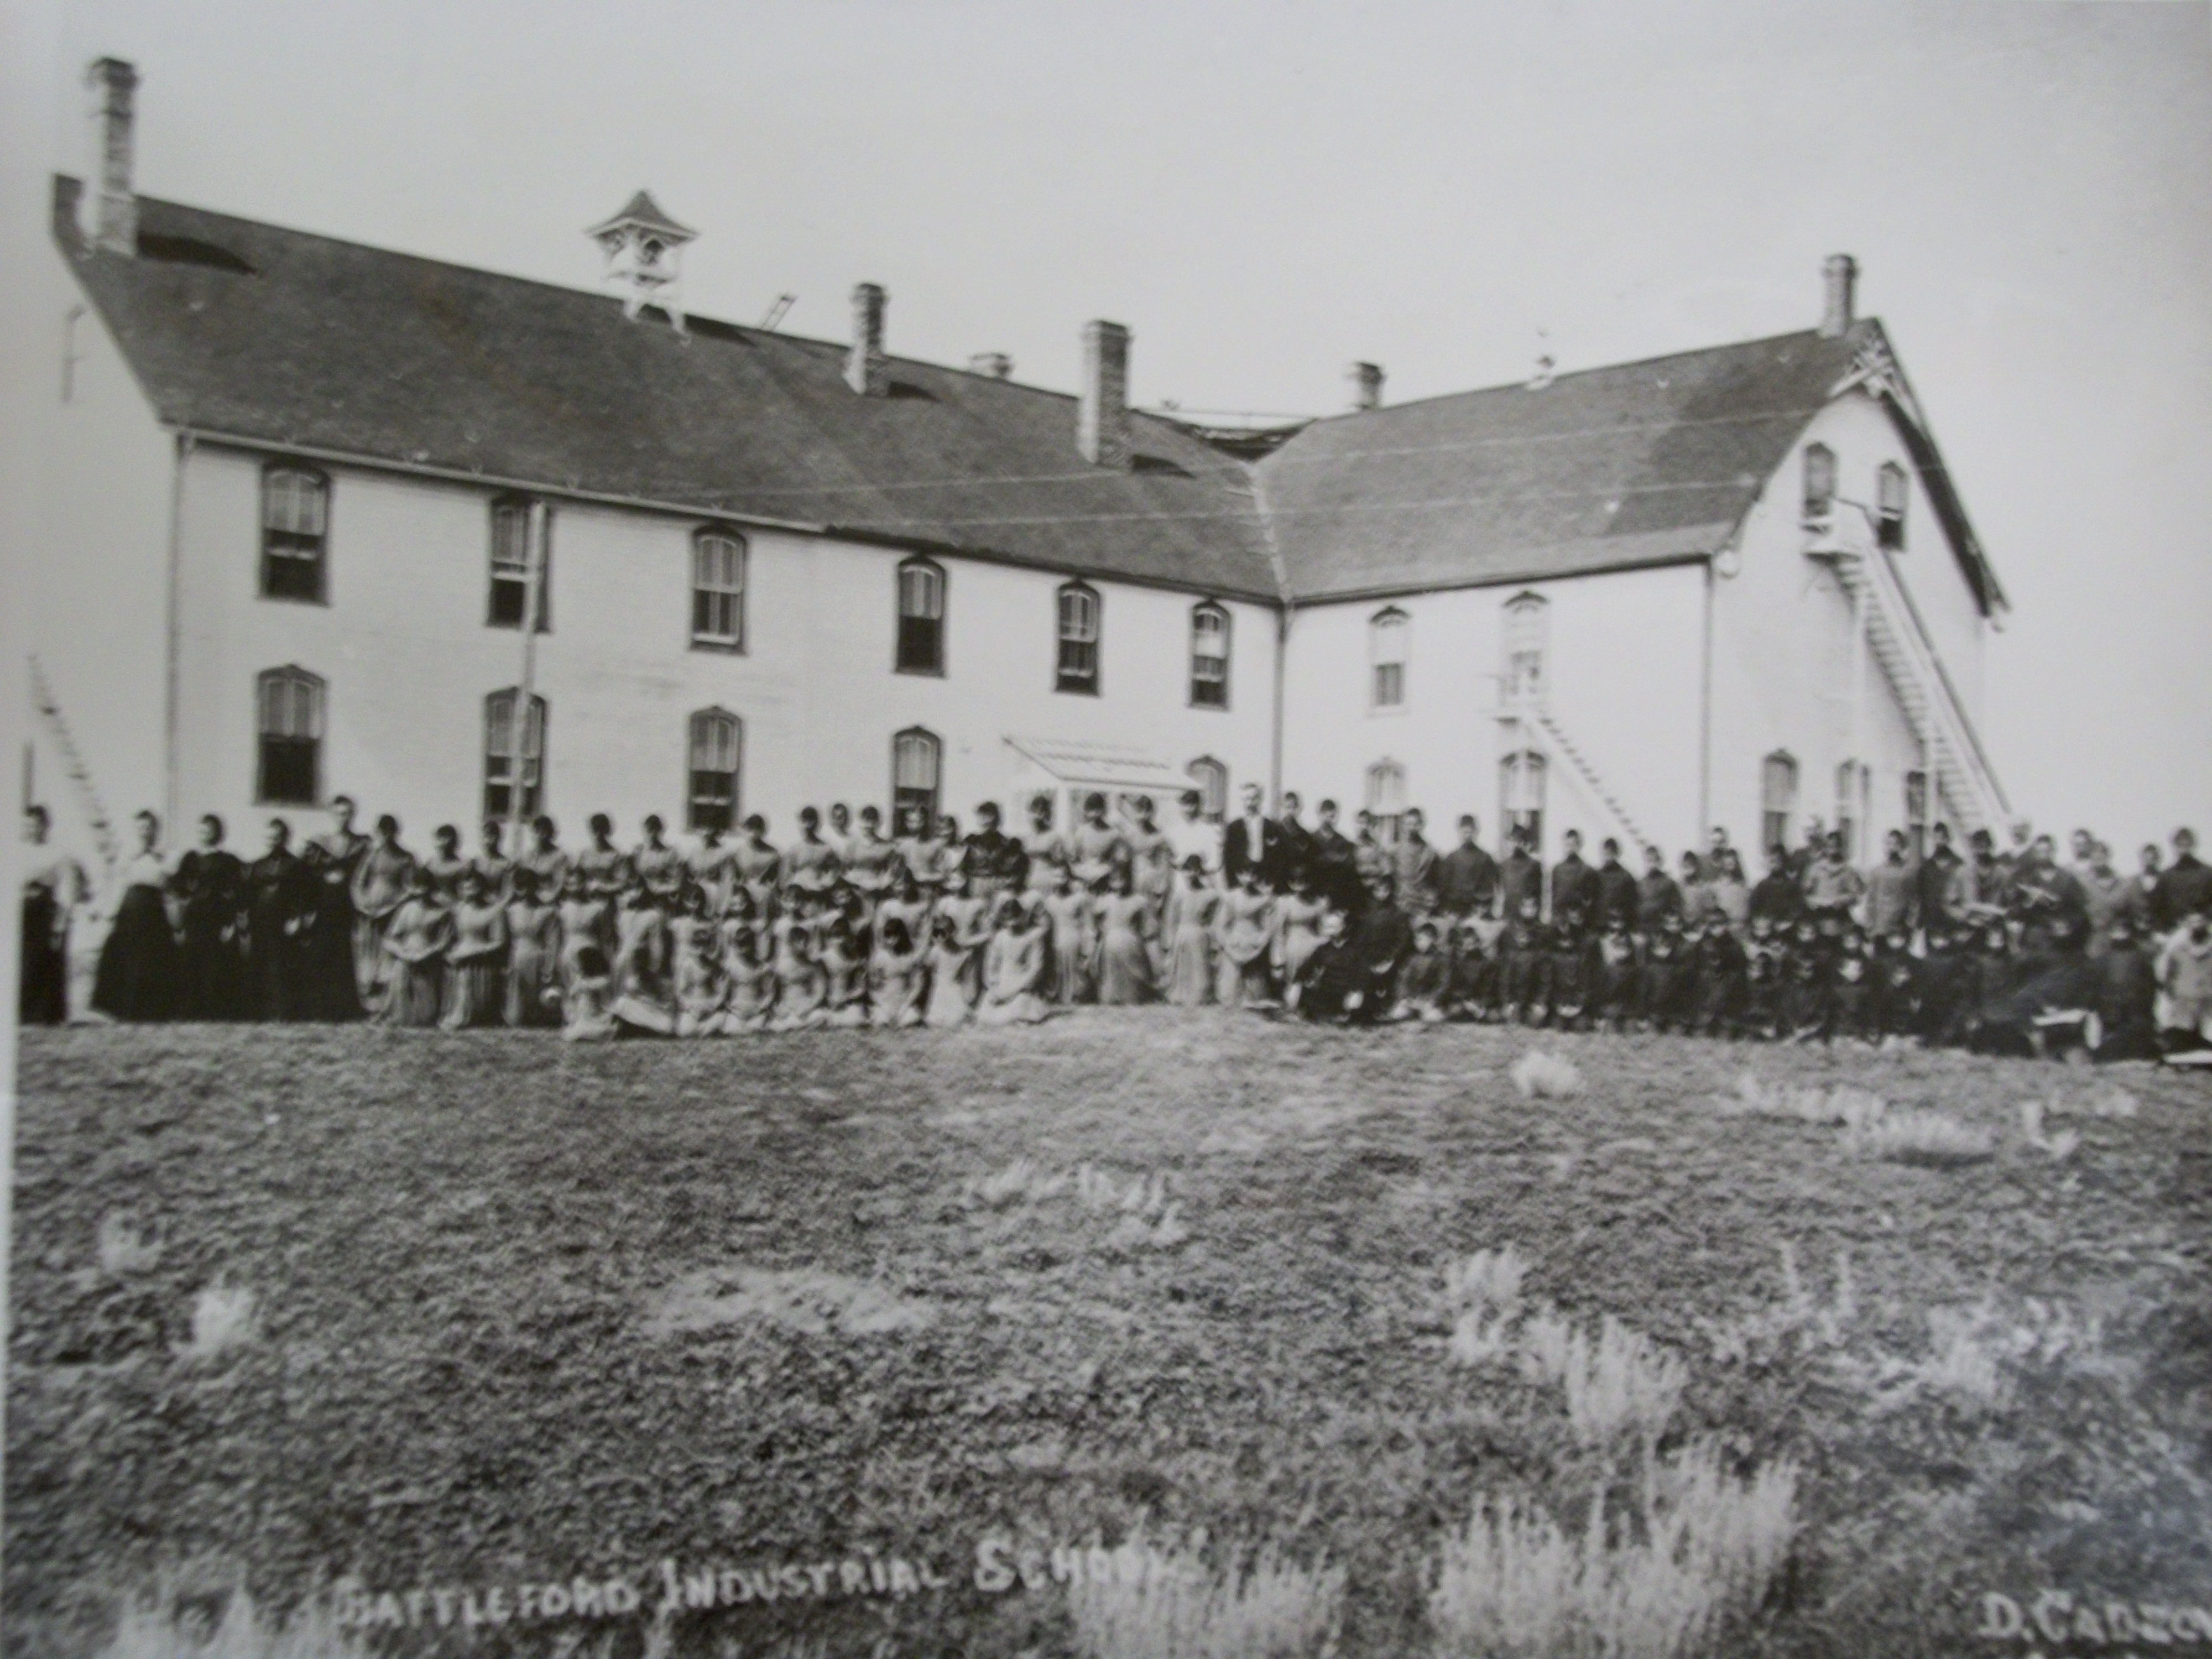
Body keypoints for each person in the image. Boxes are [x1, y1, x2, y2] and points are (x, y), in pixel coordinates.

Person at [91, 810, 178, 1022]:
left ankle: (150, 1011)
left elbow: (170, 891)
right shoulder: (126, 856)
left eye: (149, 827)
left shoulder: (165, 857)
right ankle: (124, 1010)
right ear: (135, 830)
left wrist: (175, 920)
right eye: (141, 827)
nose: (145, 832)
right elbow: (117, 885)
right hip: (130, 912)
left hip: (154, 913)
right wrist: (109, 914)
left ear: (156, 831)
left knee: (154, 959)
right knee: (127, 958)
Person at [170, 813, 247, 1021]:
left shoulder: (228, 860)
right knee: (191, 961)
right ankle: (190, 1012)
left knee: (215, 963)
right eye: (202, 831)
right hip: (194, 917)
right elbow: (177, 887)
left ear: (219, 833)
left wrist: (231, 922)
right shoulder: (190, 858)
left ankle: (214, 1012)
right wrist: (183, 907)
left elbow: (237, 891)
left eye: (210, 830)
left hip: (217, 917)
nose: (205, 835)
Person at [20, 804, 88, 1025]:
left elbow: (67, 890)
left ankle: (44, 1014)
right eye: (29, 824)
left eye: (37, 824)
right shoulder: (15, 851)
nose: (33, 829)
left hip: (44, 911)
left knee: (42, 960)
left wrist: (61, 920)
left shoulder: (58, 855)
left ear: (46, 826)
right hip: (21, 909)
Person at [297, 818, 366, 1022]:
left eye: (319, 852)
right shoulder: (313, 873)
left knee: (340, 966)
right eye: (312, 852)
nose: (315, 856)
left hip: (340, 925)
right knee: (319, 966)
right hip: (319, 925)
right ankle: (318, 1010)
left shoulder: (342, 874)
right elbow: (306, 898)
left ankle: (341, 1010)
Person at [243, 818, 312, 1022]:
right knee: (259, 965)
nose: (273, 841)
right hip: (260, 923)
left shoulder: (296, 865)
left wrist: (297, 919)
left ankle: (282, 1013)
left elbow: (305, 895)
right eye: (269, 837)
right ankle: (259, 1014)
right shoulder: (258, 865)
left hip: (284, 924)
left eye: (277, 837)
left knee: (281, 969)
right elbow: (249, 895)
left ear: (285, 838)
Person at [350, 815, 416, 1010]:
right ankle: (367, 1002)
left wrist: (391, 907)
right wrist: (362, 905)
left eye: (390, 832)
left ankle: (387, 1001)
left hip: (392, 915)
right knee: (367, 955)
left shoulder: (406, 858)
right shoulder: (371, 855)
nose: (386, 836)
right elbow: (357, 883)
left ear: (396, 833)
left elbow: (410, 888)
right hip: (369, 915)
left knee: (387, 954)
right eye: (382, 832)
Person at [379, 864, 452, 1027]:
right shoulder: (406, 909)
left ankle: (425, 1016)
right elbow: (389, 938)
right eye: (416, 887)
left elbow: (444, 941)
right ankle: (399, 1015)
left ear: (431, 887)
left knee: (427, 1013)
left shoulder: (442, 912)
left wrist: (426, 954)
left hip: (429, 958)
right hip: (406, 956)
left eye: (425, 886)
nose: (421, 892)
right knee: (400, 987)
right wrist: (402, 953)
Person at [1340, 873, 1414, 1025]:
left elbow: (1402, 941)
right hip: (1363, 958)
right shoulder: (1365, 911)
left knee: (1379, 994)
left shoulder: (1398, 914)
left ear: (1391, 891)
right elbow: (1357, 936)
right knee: (1355, 991)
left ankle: (1373, 1011)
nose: (1381, 893)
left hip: (1385, 960)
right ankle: (1354, 1011)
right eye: (1378, 890)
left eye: (1385, 890)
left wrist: (1389, 960)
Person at [441, 869, 510, 1030]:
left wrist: (472, 954)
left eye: (475, 887)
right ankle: (456, 1014)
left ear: (483, 888)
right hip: (459, 957)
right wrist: (449, 952)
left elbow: (499, 942)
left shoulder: (494, 911)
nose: (470, 892)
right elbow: (447, 937)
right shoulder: (456, 911)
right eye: (466, 888)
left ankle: (479, 1015)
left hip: (482, 962)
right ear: (459, 889)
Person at [611, 882, 675, 1032]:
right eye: (627, 890)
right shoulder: (622, 915)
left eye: (636, 889)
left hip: (642, 961)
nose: (632, 894)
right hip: (623, 960)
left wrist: (655, 965)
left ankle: (649, 1023)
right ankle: (628, 1022)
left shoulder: (653, 915)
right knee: (622, 996)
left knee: (640, 991)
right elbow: (620, 940)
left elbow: (656, 944)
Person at [504, 867, 563, 1027]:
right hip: (517, 958)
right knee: (515, 1019)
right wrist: (507, 964)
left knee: (541, 1011)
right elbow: (507, 941)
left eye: (527, 885)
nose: (522, 890)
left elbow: (553, 942)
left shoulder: (548, 911)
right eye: (518, 886)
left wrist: (549, 967)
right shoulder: (510, 910)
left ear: (535, 886)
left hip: (539, 958)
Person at [978, 898, 1050, 1025]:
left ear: (1022, 917)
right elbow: (992, 965)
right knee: (987, 1013)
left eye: (1015, 920)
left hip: (1022, 984)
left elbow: (1036, 968)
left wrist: (1015, 990)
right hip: (1002, 982)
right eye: (1008, 921)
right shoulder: (1000, 937)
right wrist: (994, 986)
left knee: (1020, 1005)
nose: (1012, 925)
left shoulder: (1033, 936)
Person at [1215, 863, 1277, 1008]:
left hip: (1254, 940)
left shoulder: (1264, 899)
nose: (1248, 878)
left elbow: (1268, 926)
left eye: (1252, 875)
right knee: (1229, 993)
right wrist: (1227, 944)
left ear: (1257, 878)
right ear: (1238, 876)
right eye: (1244, 874)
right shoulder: (1231, 897)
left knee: (1255, 988)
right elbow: (1220, 925)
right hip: (1234, 940)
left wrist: (1260, 945)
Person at [1096, 865, 1157, 1005]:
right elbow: (1097, 922)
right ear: (1110, 882)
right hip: (1109, 943)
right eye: (1114, 880)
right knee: (1110, 974)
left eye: (1122, 879)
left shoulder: (1139, 901)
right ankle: (1112, 998)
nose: (1118, 883)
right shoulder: (1105, 900)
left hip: (1131, 942)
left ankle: (1133, 996)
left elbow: (1149, 927)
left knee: (1134, 975)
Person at [1164, 856, 1221, 1005]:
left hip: (1200, 936)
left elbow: (1215, 919)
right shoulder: (1179, 895)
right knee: (1182, 971)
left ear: (1199, 871)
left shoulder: (1210, 895)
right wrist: (1170, 942)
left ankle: (1201, 995)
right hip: (1182, 935)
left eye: (1194, 870)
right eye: (1186, 870)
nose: (1189, 874)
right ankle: (1181, 996)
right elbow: (1171, 921)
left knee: (1200, 972)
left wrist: (1212, 938)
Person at [2155, 908, 2212, 1050]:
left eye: (2200, 921)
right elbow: (2169, 975)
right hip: (2184, 1003)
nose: (2196, 925)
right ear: (2186, 926)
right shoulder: (2177, 950)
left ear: (2207, 923)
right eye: (2192, 922)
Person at [1041, 863, 1096, 1005]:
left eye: (1062, 876)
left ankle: (1077, 996)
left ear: (1069, 878)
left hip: (1074, 939)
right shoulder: (1048, 901)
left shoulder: (1080, 899)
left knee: (1077, 971)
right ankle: (1056, 995)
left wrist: (1088, 948)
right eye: (1055, 877)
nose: (1059, 881)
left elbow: (1088, 925)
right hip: (1055, 941)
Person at [556, 867, 615, 992]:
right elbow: (558, 938)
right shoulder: (562, 909)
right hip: (568, 956)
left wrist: (608, 961)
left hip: (591, 957)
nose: (575, 888)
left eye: (579, 883)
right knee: (572, 994)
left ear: (586, 883)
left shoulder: (599, 908)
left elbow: (606, 938)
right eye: (570, 884)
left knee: (591, 993)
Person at [1272, 867, 1329, 990]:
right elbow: (1279, 932)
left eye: (1302, 880)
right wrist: (1277, 958)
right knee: (1293, 980)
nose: (1298, 884)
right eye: (1294, 881)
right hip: (1292, 942)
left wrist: (1323, 944)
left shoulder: (1320, 902)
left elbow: (1324, 927)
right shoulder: (1284, 902)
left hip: (1313, 942)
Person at [1436, 816, 1500, 922]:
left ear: (1476, 832)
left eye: (1470, 832)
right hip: (1455, 909)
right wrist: (1446, 909)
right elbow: (1443, 886)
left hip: (1477, 909)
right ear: (1459, 832)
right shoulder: (1452, 858)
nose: (1467, 835)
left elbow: (1490, 887)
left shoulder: (1485, 858)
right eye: (1464, 832)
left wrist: (1484, 908)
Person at [1223, 782, 1286, 890]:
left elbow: (1278, 858)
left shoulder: (1272, 827)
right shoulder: (1234, 827)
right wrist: (1232, 884)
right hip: (1242, 880)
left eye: (1254, 799)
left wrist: (1274, 882)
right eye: (1246, 799)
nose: (1250, 803)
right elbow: (1228, 858)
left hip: (1265, 881)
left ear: (1260, 799)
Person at [675, 924, 734, 1037]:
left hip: (709, 1005)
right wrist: (690, 1007)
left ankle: (706, 1030)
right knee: (685, 1030)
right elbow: (680, 992)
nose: (701, 951)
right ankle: (699, 1030)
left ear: (710, 947)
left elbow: (721, 991)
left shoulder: (714, 966)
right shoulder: (687, 965)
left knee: (722, 1020)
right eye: (697, 946)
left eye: (704, 947)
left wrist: (712, 1006)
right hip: (693, 1006)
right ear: (692, 946)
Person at [869, 916, 928, 1028]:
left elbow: (918, 985)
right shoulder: (879, 958)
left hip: (904, 1000)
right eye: (887, 935)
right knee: (881, 1021)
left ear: (902, 936)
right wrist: (884, 1006)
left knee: (911, 1019)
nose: (891, 940)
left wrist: (904, 1006)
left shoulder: (911, 957)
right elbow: (873, 988)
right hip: (885, 1001)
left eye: (895, 935)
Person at [2152, 828, 2212, 938]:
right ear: (2174, 847)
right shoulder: (2166, 876)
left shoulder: (2207, 873)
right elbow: (2157, 908)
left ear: (2194, 845)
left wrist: (2203, 919)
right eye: (2180, 845)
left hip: (2205, 932)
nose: (2184, 849)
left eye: (2187, 844)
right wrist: (2162, 931)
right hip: (2175, 931)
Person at [1307, 799, 1361, 915]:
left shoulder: (1343, 842)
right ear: (1319, 815)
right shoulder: (1311, 840)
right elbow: (1309, 865)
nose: (1329, 819)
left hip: (1337, 896)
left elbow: (1349, 866)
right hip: (1316, 894)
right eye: (1325, 815)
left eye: (1332, 815)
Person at [965, 801, 1026, 904]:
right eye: (983, 817)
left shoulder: (1009, 845)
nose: (987, 822)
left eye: (990, 817)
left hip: (999, 890)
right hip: (976, 889)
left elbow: (1017, 872)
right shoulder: (971, 843)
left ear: (997, 819)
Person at [557, 944, 619, 1043]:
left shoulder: (588, 984)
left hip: (592, 1023)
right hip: (592, 1022)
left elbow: (570, 1009)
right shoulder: (601, 982)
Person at [924, 914, 978, 1026]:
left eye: (943, 933)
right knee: (937, 1019)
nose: (939, 937)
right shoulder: (935, 952)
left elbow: (969, 978)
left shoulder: (964, 954)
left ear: (953, 932)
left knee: (958, 1018)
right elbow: (928, 975)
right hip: (939, 990)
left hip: (955, 989)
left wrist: (969, 997)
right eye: (936, 933)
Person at [1395, 919, 1452, 1023]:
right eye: (1417, 940)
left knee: (1432, 1018)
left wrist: (1432, 999)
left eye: (1423, 940)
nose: (1419, 943)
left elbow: (1443, 983)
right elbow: (1403, 979)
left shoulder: (1442, 960)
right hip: (1412, 999)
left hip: (1429, 1000)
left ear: (1433, 940)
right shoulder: (1413, 959)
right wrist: (1405, 997)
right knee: (1398, 1014)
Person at [1067, 792, 1128, 891]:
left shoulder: (1114, 834)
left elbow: (1120, 862)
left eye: (1098, 810)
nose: (1095, 814)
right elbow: (1073, 859)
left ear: (1103, 810)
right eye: (1092, 810)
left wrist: (1104, 870)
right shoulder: (1081, 832)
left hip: (1105, 882)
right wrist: (1081, 872)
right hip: (1083, 880)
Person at [820, 916, 871, 1027]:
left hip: (848, 1002)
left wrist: (847, 998)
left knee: (857, 1017)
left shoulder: (855, 959)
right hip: (829, 1003)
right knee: (821, 1017)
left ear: (848, 937)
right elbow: (819, 984)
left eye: (842, 935)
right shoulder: (823, 959)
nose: (839, 941)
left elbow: (861, 987)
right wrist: (828, 999)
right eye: (834, 936)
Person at [846, 805, 902, 905]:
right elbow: (844, 870)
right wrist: (857, 882)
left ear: (878, 823)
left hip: (878, 891)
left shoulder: (887, 847)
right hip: (855, 891)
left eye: (872, 821)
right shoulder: (852, 845)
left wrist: (881, 884)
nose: (868, 825)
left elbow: (892, 870)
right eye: (865, 821)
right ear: (860, 822)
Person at [1390, 807, 1441, 916]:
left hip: (1423, 905)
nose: (1412, 828)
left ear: (1422, 825)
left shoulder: (1431, 853)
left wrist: (1431, 898)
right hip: (1401, 903)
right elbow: (1390, 879)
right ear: (1403, 826)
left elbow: (1437, 881)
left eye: (1415, 824)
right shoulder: (1394, 851)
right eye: (1408, 824)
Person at [726, 927, 779, 1031]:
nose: (743, 949)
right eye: (739, 945)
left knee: (757, 1027)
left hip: (756, 1009)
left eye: (746, 944)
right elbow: (726, 994)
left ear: (753, 945)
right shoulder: (730, 967)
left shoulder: (762, 968)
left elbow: (770, 992)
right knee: (731, 1029)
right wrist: (734, 1009)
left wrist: (760, 1008)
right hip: (737, 1010)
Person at [1917, 822, 1964, 934]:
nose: (1940, 841)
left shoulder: (1959, 865)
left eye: (1943, 838)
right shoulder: (1926, 867)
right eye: (1936, 838)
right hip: (1931, 921)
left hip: (1953, 921)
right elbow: (1921, 894)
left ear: (1949, 839)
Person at [732, 815, 784, 914]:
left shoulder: (772, 854)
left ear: (763, 831)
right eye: (750, 829)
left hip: (764, 893)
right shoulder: (738, 852)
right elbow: (735, 876)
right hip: (743, 893)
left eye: (757, 829)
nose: (753, 833)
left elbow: (776, 878)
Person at [1167, 791, 1220, 885]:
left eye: (1191, 805)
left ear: (1198, 806)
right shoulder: (1174, 832)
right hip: (1181, 882)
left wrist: (1200, 870)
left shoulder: (1209, 831)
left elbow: (1215, 861)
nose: (1188, 809)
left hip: (1202, 881)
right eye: (1185, 805)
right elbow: (1171, 859)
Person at [575, 813, 630, 899]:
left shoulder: (617, 856)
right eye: (595, 830)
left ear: (607, 831)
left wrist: (602, 887)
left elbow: (622, 884)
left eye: (601, 830)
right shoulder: (584, 855)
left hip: (608, 899)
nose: (598, 834)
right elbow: (577, 878)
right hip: (586, 899)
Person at [517, 815, 570, 904]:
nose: (541, 835)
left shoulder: (559, 856)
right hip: (528, 900)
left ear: (551, 833)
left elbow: (560, 885)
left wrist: (545, 899)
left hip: (549, 900)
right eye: (537, 831)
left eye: (545, 831)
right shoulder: (528, 856)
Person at [1591, 838, 1639, 934]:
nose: (1608, 857)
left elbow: (1633, 904)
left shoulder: (1626, 877)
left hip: (1620, 928)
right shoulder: (1596, 875)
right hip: (1600, 926)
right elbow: (1592, 902)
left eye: (1611, 853)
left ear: (1617, 854)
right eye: (1606, 853)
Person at [1636, 844, 1684, 932]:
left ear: (1660, 861)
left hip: (1663, 929)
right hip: (1644, 927)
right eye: (1649, 860)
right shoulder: (1640, 883)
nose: (1652, 864)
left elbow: (1677, 906)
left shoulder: (1669, 883)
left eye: (1655, 860)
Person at [1499, 827, 1542, 923]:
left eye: (1520, 841)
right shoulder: (1504, 865)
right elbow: (1501, 891)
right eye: (1513, 841)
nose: (1516, 845)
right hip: (1508, 913)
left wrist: (1536, 915)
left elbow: (1538, 894)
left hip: (1527, 914)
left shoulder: (1534, 865)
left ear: (1525, 843)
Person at [422, 824, 471, 905]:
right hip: (431, 905)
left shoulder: (463, 866)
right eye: (440, 838)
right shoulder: (430, 864)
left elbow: (466, 891)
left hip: (454, 904)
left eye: (447, 838)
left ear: (455, 843)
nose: (444, 842)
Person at [472, 818, 516, 904]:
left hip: (497, 903)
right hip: (478, 904)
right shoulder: (475, 863)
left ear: (499, 839)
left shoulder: (506, 864)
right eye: (486, 836)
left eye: (493, 836)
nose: (489, 841)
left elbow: (508, 892)